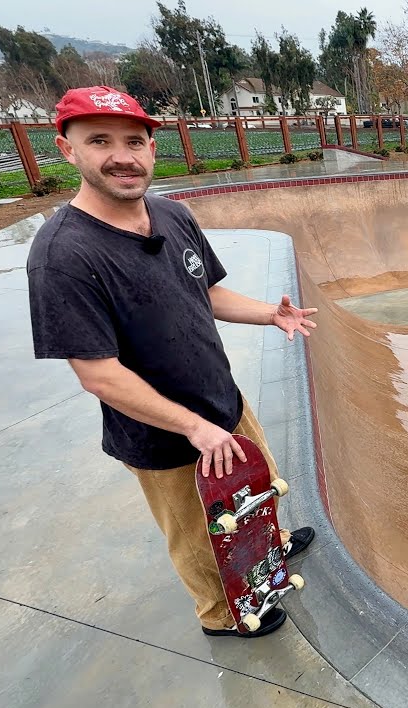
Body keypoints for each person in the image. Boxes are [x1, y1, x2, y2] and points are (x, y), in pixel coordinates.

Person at [27, 86, 319, 638]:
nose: (122, 156)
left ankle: (271, 551)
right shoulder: (63, 254)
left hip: (223, 402)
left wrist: (269, 314)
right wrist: (193, 428)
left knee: (258, 491)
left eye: (134, 142)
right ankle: (223, 616)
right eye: (100, 141)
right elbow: (98, 374)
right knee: (200, 533)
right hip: (162, 437)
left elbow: (205, 292)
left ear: (152, 148)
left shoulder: (172, 214)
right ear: (67, 149)